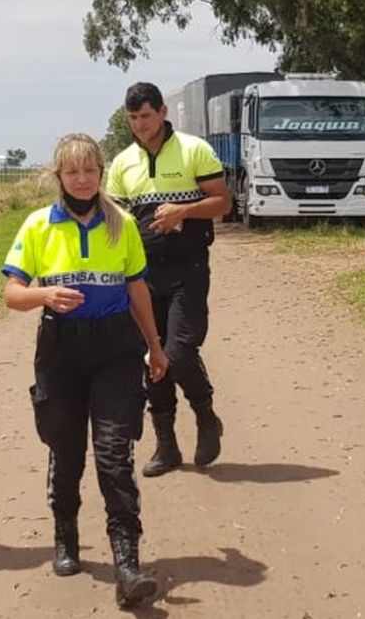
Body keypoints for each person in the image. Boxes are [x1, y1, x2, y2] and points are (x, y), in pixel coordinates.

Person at [3, 133, 171, 608]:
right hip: (60, 350)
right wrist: (43, 295)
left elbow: (138, 290)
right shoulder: (38, 226)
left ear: (101, 173)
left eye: (89, 170)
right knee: (67, 448)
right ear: (58, 177)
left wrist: (155, 348)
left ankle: (127, 561)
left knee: (115, 453)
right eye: (72, 171)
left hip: (116, 347)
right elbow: (12, 294)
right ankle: (66, 536)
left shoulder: (123, 225)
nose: (81, 179)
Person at [105, 83, 232, 477]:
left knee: (178, 350)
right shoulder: (123, 163)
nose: (140, 125)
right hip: (142, 277)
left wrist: (183, 212)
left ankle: (205, 414)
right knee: (152, 357)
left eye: (145, 116)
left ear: (161, 112)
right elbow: (114, 219)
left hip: (188, 269)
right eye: (133, 119)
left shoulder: (195, 150)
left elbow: (224, 203)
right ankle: (167, 445)